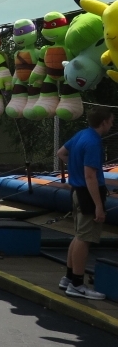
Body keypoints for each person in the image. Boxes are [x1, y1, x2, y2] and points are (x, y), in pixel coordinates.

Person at [57, 107, 114, 299]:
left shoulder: (82, 134)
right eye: (111, 121)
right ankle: (77, 284)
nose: (112, 125)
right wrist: (99, 205)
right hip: (88, 194)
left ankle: (69, 278)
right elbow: (90, 176)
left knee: (79, 236)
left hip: (77, 191)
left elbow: (61, 153)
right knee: (84, 238)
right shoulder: (93, 142)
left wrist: (75, 171)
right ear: (104, 122)